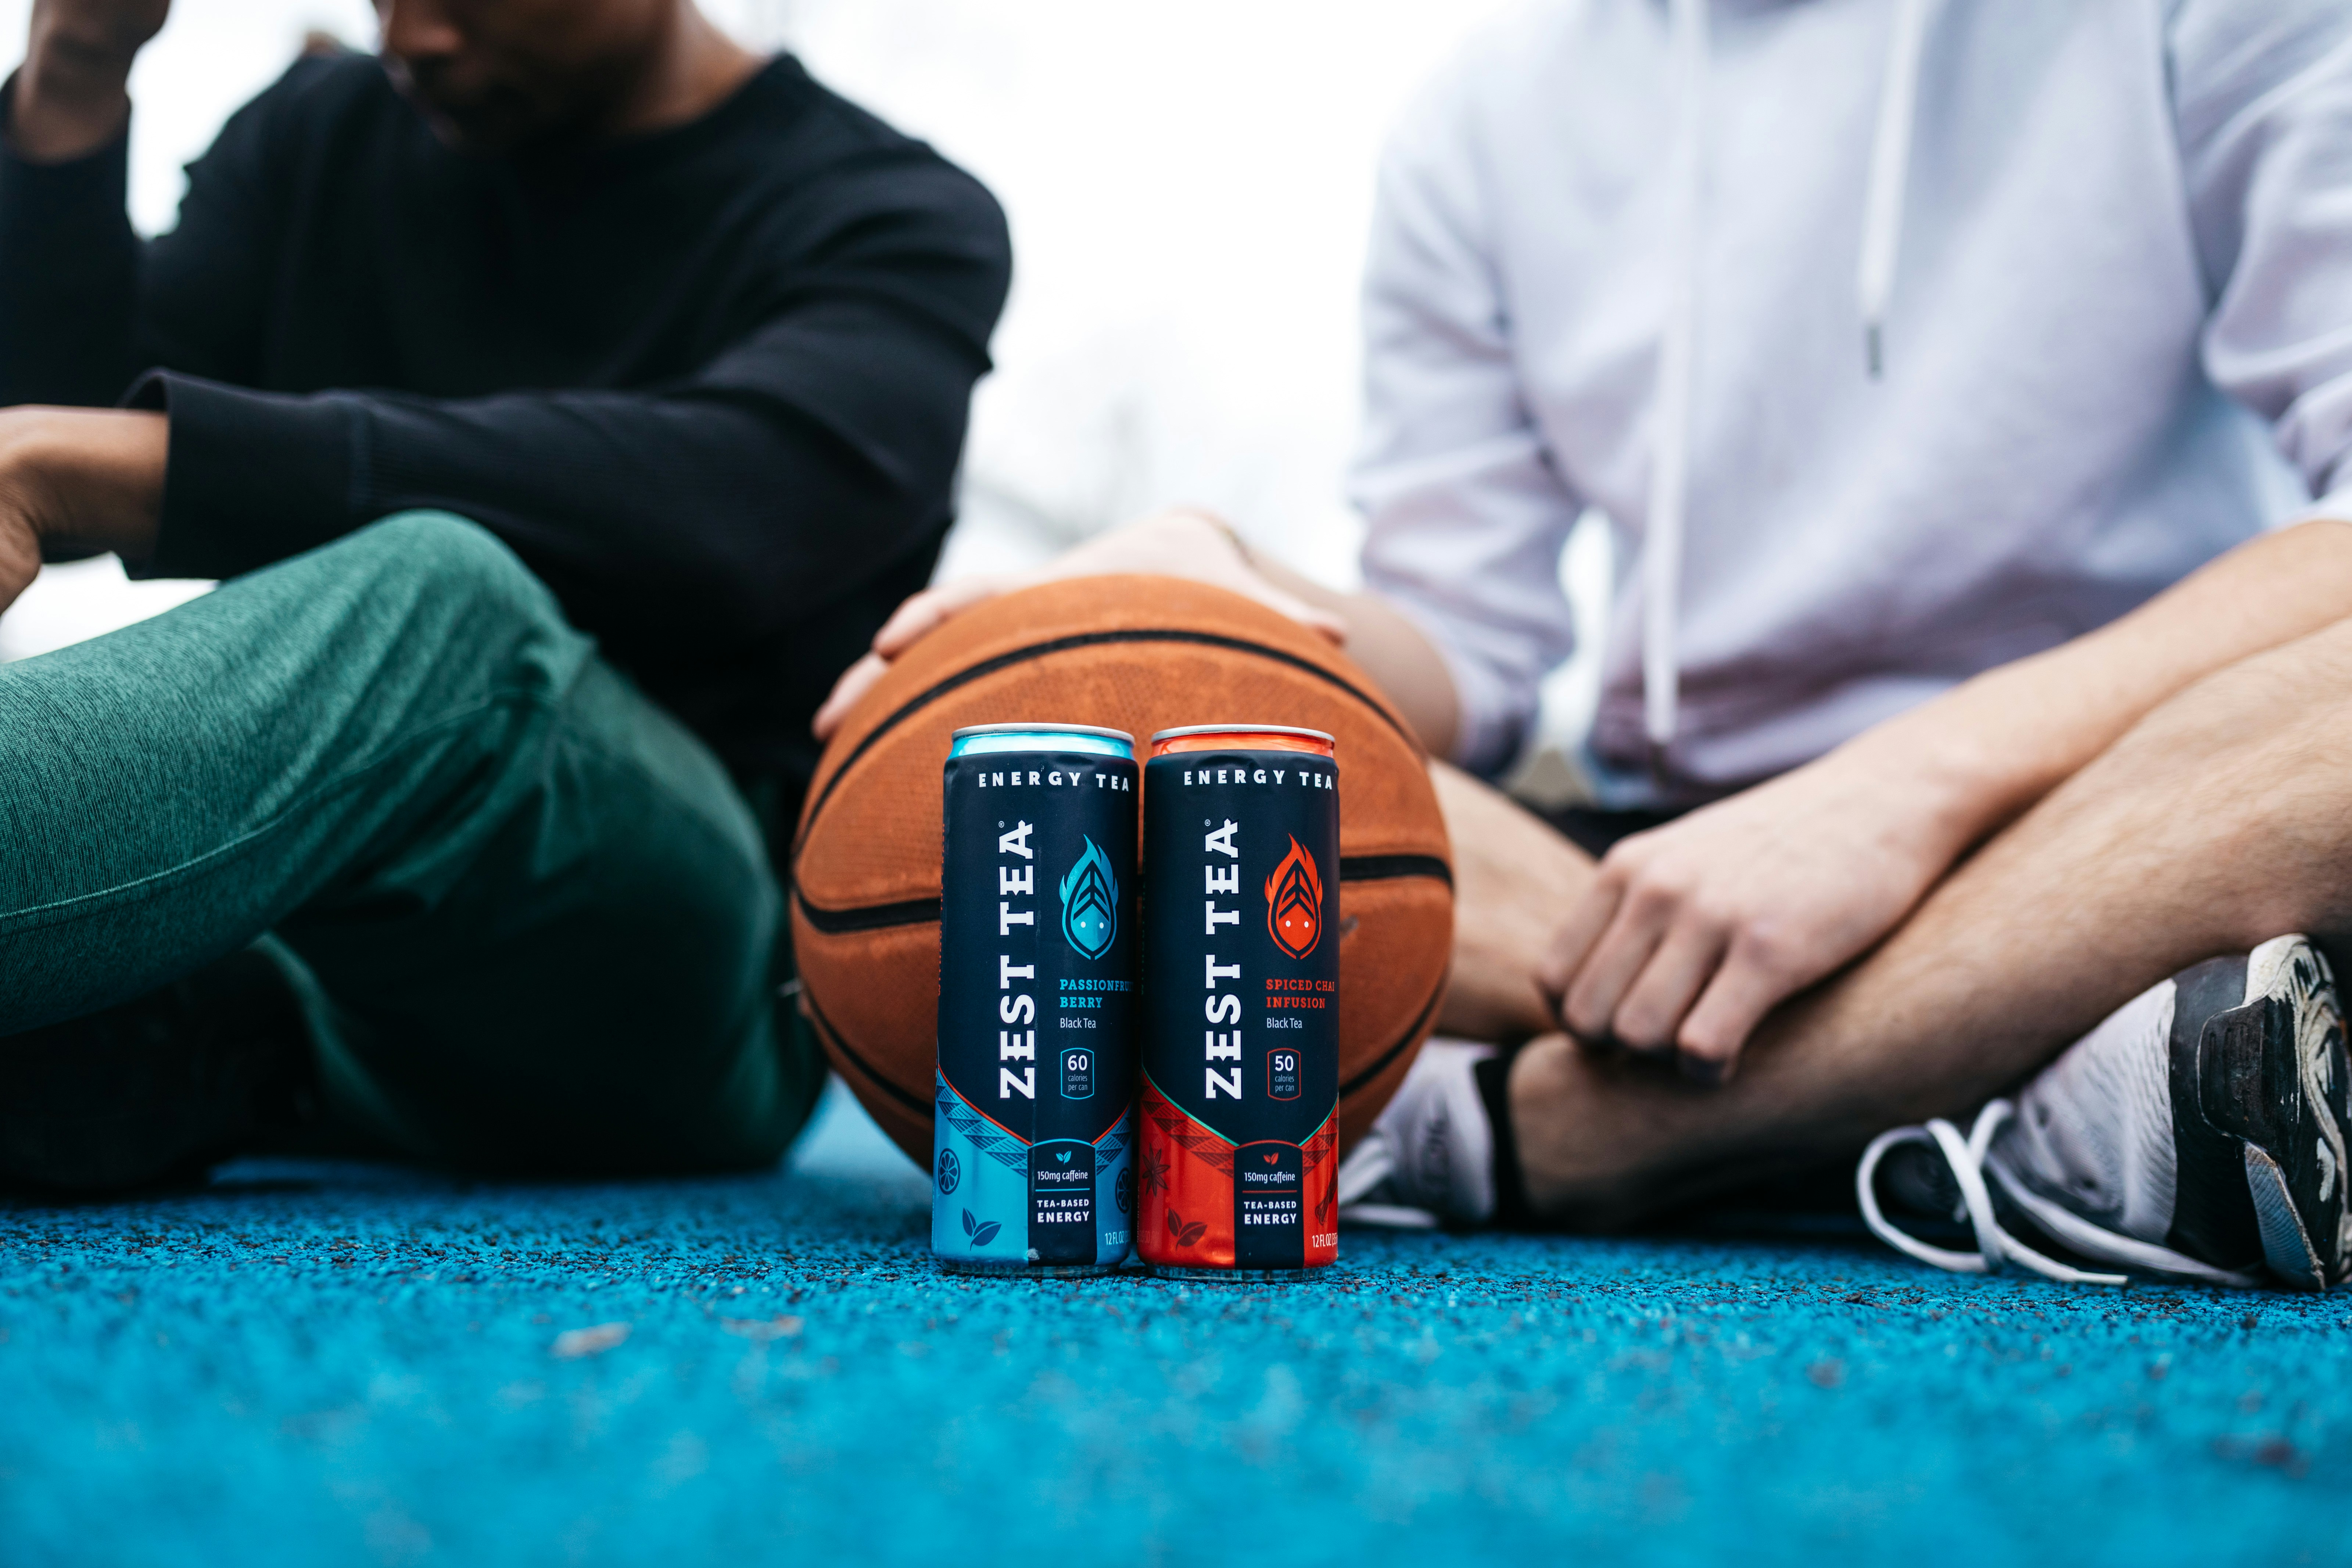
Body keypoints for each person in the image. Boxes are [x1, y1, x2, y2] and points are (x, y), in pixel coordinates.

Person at [816, 0, 2352, 1287]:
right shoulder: (1482, 119)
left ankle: (1559, 1138)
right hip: (1636, 902)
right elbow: (1468, 661)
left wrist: (1907, 788)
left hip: (2118, 811)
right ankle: (2024, 1094)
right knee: (1069, 704)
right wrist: (1209, 575)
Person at [0, 0, 1010, 1188]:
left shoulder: (893, 220)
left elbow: (720, 516)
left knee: (456, 607)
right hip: (315, 916)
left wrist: (118, 468)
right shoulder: (320, 135)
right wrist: (75, 68)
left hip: (690, 987)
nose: (415, 36)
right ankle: (276, 1041)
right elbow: (56, 410)